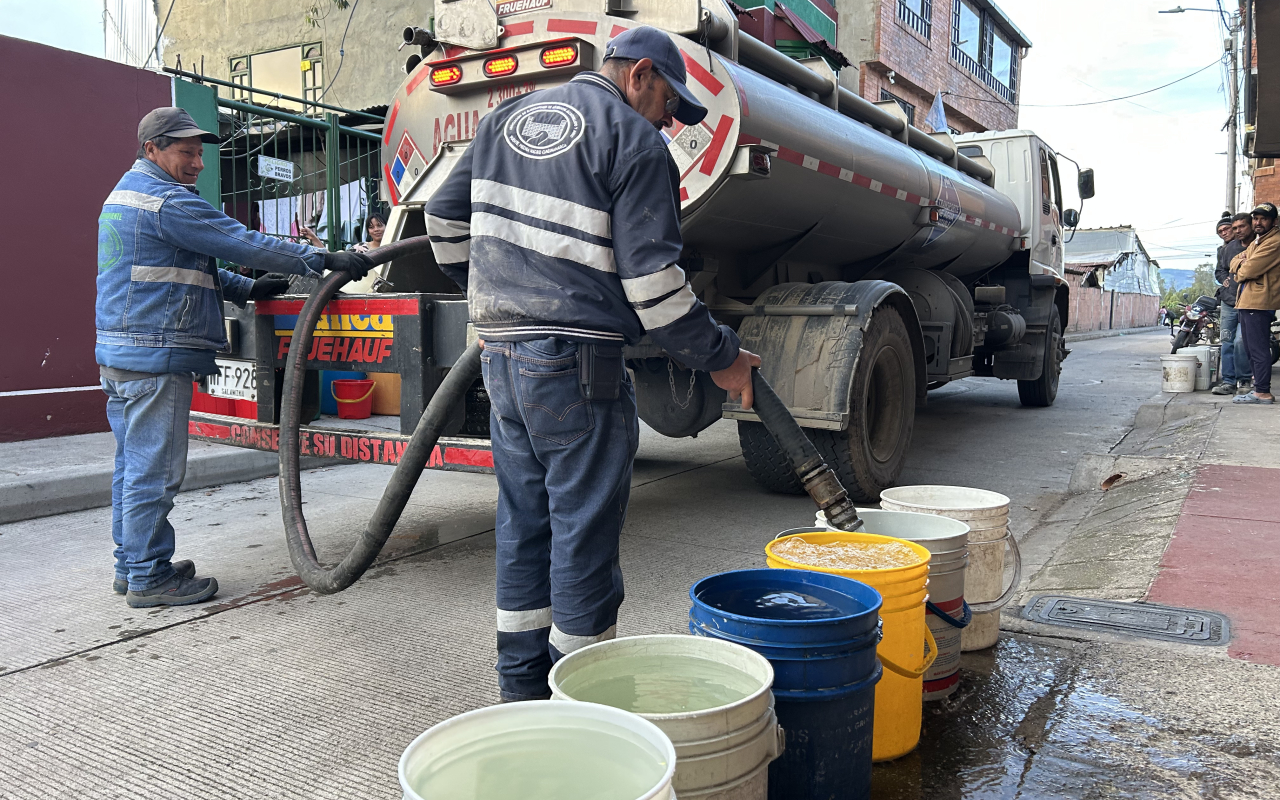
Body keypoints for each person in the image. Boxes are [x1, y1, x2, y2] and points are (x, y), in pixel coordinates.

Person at [425, 27, 760, 701]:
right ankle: (582, 706)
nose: (671, 122)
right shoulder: (634, 142)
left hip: (505, 359)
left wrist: (491, 306)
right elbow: (654, 289)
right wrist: (723, 359)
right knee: (582, 534)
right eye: (670, 103)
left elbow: (441, 215)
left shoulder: (501, 120)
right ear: (640, 75)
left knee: (524, 523)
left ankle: (522, 697)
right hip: (578, 365)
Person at [97, 107, 373, 607]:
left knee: (133, 466)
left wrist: (246, 287)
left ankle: (132, 564)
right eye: (186, 152)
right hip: (155, 354)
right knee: (153, 472)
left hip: (126, 353)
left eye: (199, 153)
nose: (197, 163)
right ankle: (148, 577)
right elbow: (237, 239)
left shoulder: (128, 197)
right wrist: (323, 258)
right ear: (152, 150)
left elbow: (184, 264)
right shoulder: (166, 202)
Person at [1230, 202, 1280, 404]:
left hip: (1258, 302)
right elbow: (1233, 262)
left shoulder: (1274, 242)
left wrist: (1242, 267)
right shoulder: (1258, 242)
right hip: (1248, 300)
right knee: (1250, 347)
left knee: (1258, 348)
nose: (1258, 222)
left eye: (1264, 218)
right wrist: (1242, 264)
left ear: (1274, 221)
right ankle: (1259, 388)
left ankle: (1262, 392)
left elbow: (1247, 271)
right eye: (1256, 218)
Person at [1213, 213, 1256, 394]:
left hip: (1249, 300)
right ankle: (1228, 381)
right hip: (1229, 302)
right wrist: (1225, 280)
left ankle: (1244, 380)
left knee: (1241, 341)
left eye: (1228, 229)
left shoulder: (1257, 246)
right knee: (1226, 340)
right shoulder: (1225, 250)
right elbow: (1220, 271)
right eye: (1220, 231)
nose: (1226, 233)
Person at [301, 211, 386, 252]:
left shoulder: (394, 246)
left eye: (379, 225)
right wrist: (313, 237)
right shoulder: (360, 248)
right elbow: (335, 260)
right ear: (368, 231)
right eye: (371, 227)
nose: (376, 229)